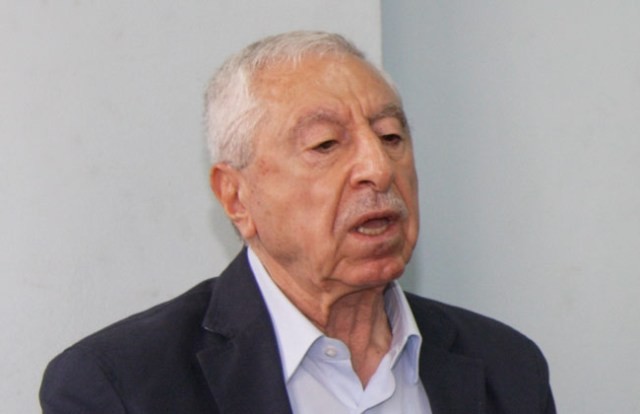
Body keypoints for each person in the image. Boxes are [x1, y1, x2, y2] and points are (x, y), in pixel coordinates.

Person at [40, 31, 556, 414]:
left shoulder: (507, 367)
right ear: (237, 197)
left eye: (391, 136)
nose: (378, 169)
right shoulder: (120, 386)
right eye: (326, 144)